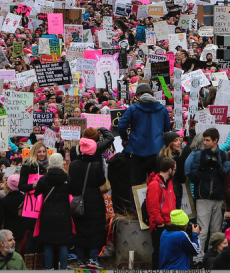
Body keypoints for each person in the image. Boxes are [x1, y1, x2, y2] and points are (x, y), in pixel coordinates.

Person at [117, 82, 173, 185]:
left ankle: (137, 201)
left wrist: (125, 139)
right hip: (157, 151)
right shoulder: (162, 109)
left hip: (137, 151)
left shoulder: (133, 108)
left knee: (137, 185)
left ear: (138, 95)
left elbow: (121, 126)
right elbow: (167, 131)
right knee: (157, 182)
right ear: (151, 94)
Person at [186, 127, 229, 251]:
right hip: (203, 197)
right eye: (204, 140)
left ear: (215, 141)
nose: (205, 143)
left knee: (216, 232)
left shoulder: (222, 155)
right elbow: (193, 178)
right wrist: (201, 169)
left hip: (218, 197)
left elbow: (228, 177)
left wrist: (219, 167)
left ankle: (213, 256)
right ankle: (199, 257)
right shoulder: (199, 155)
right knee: (202, 231)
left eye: (208, 140)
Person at [67, 137, 109, 267]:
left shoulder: (73, 165)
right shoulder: (96, 165)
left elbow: (71, 183)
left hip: (78, 201)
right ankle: (93, 259)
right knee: (95, 230)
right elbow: (102, 182)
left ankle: (80, 260)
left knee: (79, 230)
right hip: (94, 201)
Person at [34, 152, 74, 270]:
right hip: (64, 214)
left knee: (48, 242)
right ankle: (64, 268)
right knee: (63, 242)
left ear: (50, 164)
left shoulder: (44, 179)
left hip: (47, 215)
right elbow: (73, 193)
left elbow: (37, 195)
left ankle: (48, 268)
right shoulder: (67, 178)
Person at [146, 156, 177, 267]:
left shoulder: (169, 183)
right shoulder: (155, 185)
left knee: (166, 254)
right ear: (170, 170)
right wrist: (160, 222)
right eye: (174, 169)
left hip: (168, 223)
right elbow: (153, 207)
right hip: (160, 225)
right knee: (159, 253)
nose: (175, 172)